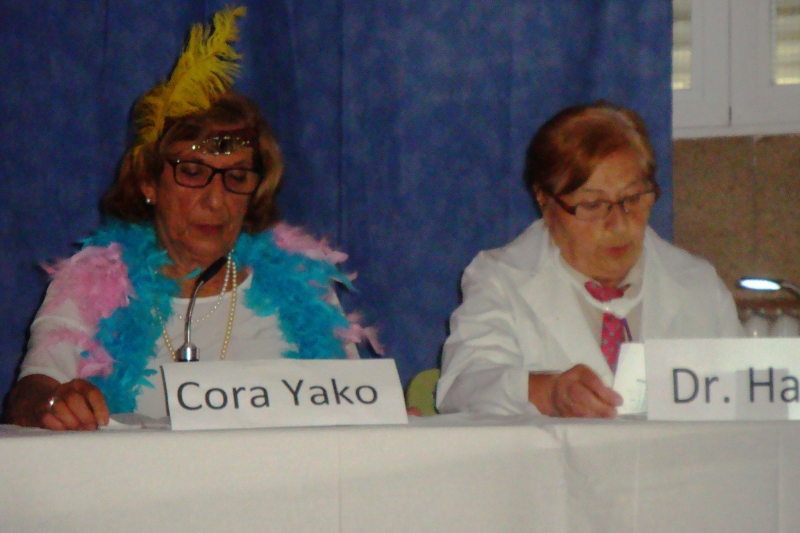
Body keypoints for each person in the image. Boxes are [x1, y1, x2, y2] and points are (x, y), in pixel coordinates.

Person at [5, 7, 377, 430]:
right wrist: (54, 402)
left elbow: (358, 410)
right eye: (193, 172)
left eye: (237, 177)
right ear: (149, 182)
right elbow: (29, 396)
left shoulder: (305, 285)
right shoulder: (87, 286)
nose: (216, 200)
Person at [436, 101, 743, 418]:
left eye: (633, 198)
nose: (618, 225)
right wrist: (549, 394)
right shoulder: (500, 279)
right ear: (544, 201)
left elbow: (747, 407)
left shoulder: (699, 286)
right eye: (593, 205)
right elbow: (463, 388)